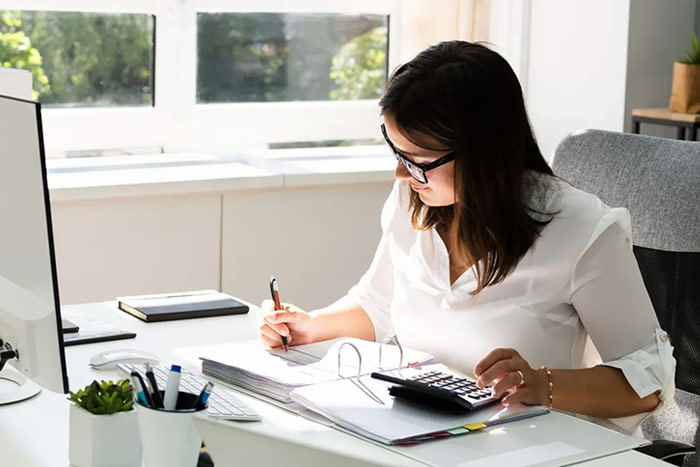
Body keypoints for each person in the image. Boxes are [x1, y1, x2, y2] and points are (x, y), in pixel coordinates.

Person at [258, 41, 674, 432]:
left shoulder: (582, 230)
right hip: (426, 429)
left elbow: (650, 380)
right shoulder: (414, 201)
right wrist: (311, 327)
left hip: (533, 444)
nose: (402, 175)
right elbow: (379, 304)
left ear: (482, 153)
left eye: (418, 160)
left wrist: (540, 384)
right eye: (398, 154)